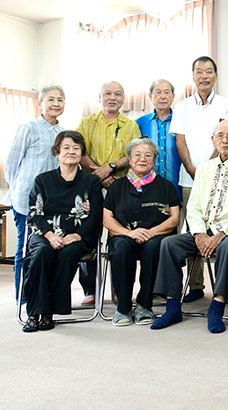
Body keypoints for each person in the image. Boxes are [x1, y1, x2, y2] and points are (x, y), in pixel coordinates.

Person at [151, 120, 228, 333]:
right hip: (204, 231)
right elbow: (194, 205)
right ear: (213, 140)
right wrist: (198, 234)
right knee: (169, 244)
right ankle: (172, 307)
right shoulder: (204, 169)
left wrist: (221, 234)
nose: (225, 140)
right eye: (220, 136)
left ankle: (217, 306)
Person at [21, 131, 103, 332]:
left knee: (67, 254)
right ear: (57, 152)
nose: (71, 152)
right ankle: (34, 312)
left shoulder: (90, 181)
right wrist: (50, 235)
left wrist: (76, 235)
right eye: (66, 148)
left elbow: (95, 215)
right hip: (45, 234)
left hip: (78, 236)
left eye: (76, 148)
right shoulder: (43, 180)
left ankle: (49, 311)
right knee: (41, 254)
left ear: (81, 152)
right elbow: (34, 213)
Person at [170, 56, 228, 303]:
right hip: (189, 179)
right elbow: (180, 140)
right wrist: (191, 168)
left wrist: (207, 168)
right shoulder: (182, 106)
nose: (204, 76)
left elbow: (223, 139)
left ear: (216, 76)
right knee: (192, 229)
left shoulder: (227, 105)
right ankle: (196, 284)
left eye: (209, 71)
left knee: (225, 226)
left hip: (220, 177)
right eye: (199, 72)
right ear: (193, 76)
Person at [77, 81, 142, 306]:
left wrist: (111, 168)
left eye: (117, 94)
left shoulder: (130, 125)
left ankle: (119, 289)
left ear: (123, 99)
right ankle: (90, 288)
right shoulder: (86, 123)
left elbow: (133, 152)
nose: (112, 98)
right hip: (91, 186)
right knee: (88, 235)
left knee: (120, 238)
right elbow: (80, 151)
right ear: (99, 97)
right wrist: (99, 174)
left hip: (121, 187)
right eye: (107, 93)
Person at [103, 138, 180, 326]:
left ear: (154, 160)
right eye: (137, 155)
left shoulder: (166, 186)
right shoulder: (116, 186)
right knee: (121, 247)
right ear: (129, 159)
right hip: (124, 235)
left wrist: (151, 232)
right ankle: (123, 307)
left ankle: (145, 305)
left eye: (148, 155)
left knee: (153, 247)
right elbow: (107, 218)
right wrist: (129, 233)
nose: (142, 159)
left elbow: (174, 218)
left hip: (156, 236)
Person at [4, 85, 65, 303]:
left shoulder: (62, 133)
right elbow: (12, 164)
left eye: (60, 99)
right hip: (24, 200)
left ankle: (42, 293)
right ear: (40, 103)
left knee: (45, 249)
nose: (56, 104)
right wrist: (19, 189)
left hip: (50, 203)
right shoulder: (28, 127)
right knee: (24, 248)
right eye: (50, 99)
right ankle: (23, 296)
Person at [136, 79, 182, 200]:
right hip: (146, 189)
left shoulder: (181, 121)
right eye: (158, 92)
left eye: (167, 92)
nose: (163, 97)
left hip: (177, 187)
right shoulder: (140, 123)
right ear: (150, 96)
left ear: (173, 96)